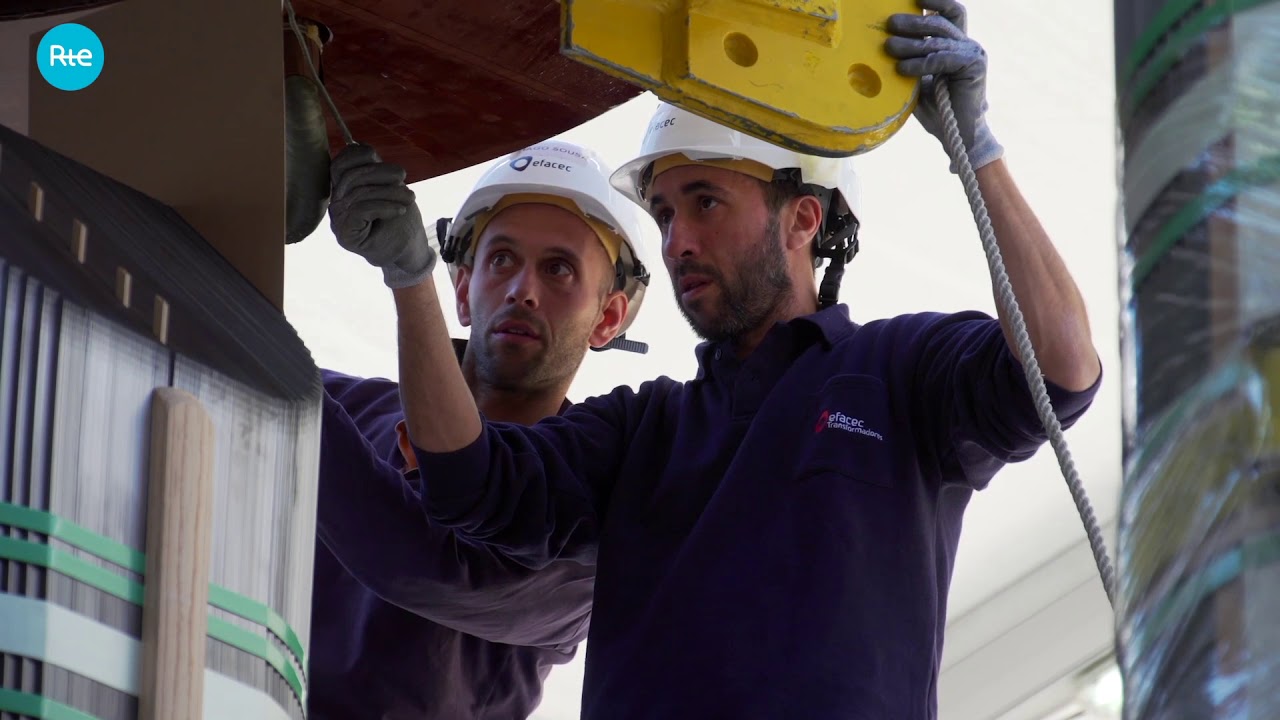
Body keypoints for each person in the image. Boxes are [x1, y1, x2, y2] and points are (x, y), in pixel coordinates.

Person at [329, 1, 1104, 717]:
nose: (676, 242)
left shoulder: (896, 371)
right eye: (664, 213)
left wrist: (979, 150)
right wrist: (409, 277)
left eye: (705, 202)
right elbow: (467, 483)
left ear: (802, 219)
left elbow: (1061, 373)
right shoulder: (643, 432)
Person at [308, 139, 654, 719]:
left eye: (559, 269)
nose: (522, 288)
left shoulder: (581, 527)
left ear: (609, 317)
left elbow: (419, 562)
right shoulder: (351, 409)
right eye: (501, 261)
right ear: (465, 290)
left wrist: (407, 278)